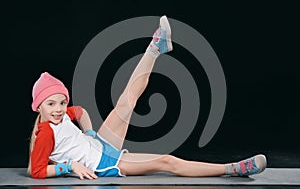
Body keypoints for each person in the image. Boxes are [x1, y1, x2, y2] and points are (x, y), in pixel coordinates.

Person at [28, 15, 267, 180]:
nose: (59, 109)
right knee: (167, 162)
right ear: (38, 107)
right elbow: (36, 171)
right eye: (51, 104)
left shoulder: (61, 118)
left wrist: (89, 132)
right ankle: (233, 169)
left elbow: (80, 112)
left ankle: (156, 47)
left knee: (127, 101)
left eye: (61, 102)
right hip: (103, 165)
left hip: (99, 145)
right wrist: (69, 166)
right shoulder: (46, 133)